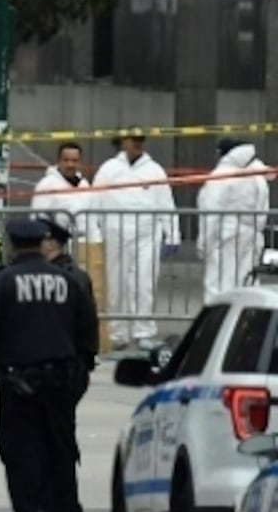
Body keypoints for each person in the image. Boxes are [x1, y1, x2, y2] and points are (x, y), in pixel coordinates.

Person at [0, 219, 99, 512]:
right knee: (61, 449)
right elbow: (87, 328)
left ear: (13, 244)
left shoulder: (3, 282)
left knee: (21, 449)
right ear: (41, 243)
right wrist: (81, 366)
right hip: (63, 378)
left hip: (20, 381)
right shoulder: (67, 281)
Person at [35, 215, 96, 512]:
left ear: (52, 244)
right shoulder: (69, 276)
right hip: (68, 370)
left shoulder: (68, 279)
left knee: (55, 445)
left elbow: (80, 328)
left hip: (63, 372)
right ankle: (58, 510)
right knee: (53, 442)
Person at [91, 129, 179, 351]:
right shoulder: (109, 170)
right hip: (115, 233)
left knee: (144, 284)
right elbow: (93, 203)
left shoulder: (154, 170)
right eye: (134, 140)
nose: (138, 144)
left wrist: (172, 234)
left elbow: (166, 204)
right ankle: (117, 333)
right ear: (123, 142)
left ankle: (144, 332)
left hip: (147, 235)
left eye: (141, 140)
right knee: (116, 283)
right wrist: (93, 232)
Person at [196, 138, 275, 303]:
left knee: (218, 283)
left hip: (225, 237)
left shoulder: (222, 175)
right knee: (247, 282)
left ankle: (217, 324)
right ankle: (246, 323)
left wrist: (204, 242)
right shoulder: (257, 174)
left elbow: (211, 210)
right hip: (252, 236)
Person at [30, 142, 102, 245]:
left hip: (85, 247)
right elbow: (38, 219)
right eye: (66, 160)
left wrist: (96, 242)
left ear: (80, 162)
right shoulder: (46, 185)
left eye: (74, 160)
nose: (70, 164)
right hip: (59, 248)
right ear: (59, 161)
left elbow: (92, 220)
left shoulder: (85, 185)